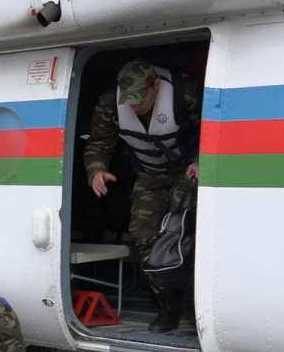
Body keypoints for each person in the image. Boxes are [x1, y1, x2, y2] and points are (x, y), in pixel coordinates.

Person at [83, 58, 202, 332]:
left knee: (180, 230)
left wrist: (201, 159)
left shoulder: (185, 93)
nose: (135, 106)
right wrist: (96, 170)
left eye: (140, 98)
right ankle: (168, 307)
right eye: (130, 100)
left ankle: (198, 305)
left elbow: (216, 127)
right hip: (149, 173)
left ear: (156, 85)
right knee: (144, 234)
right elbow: (98, 143)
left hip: (187, 170)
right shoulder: (109, 105)